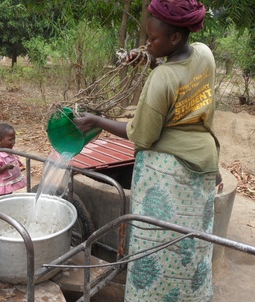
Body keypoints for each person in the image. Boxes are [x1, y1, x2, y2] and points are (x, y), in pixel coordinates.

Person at [73, 0, 220, 300]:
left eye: (153, 39)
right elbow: (183, 78)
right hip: (204, 162)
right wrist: (153, 58)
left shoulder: (162, 78)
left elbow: (141, 137)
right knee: (191, 247)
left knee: (156, 250)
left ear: (175, 37)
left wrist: (96, 121)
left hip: (170, 174)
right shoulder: (204, 53)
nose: (147, 44)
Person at [0, 123, 26, 196]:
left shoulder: (10, 150)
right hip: (4, 182)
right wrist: (5, 167)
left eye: (14, 139)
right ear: (0, 141)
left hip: (11, 179)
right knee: (4, 196)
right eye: (10, 140)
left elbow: (14, 158)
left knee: (9, 193)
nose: (13, 142)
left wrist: (20, 164)